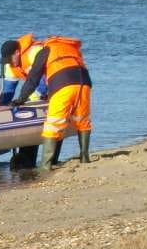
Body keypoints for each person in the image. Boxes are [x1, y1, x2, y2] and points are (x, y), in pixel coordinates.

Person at [10, 36, 92, 171]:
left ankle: (45, 165)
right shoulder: (70, 48)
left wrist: (21, 99)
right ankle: (84, 157)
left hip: (63, 84)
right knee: (82, 120)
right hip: (84, 83)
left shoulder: (46, 50)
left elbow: (33, 79)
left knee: (52, 125)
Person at [0, 34, 48, 169]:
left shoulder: (34, 52)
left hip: (53, 84)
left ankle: (50, 160)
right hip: (34, 88)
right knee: (24, 110)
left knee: (35, 113)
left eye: (10, 58)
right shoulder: (10, 65)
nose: (9, 62)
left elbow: (43, 78)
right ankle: (27, 163)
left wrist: (30, 99)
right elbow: (8, 91)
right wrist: (1, 107)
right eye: (6, 60)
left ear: (17, 52)